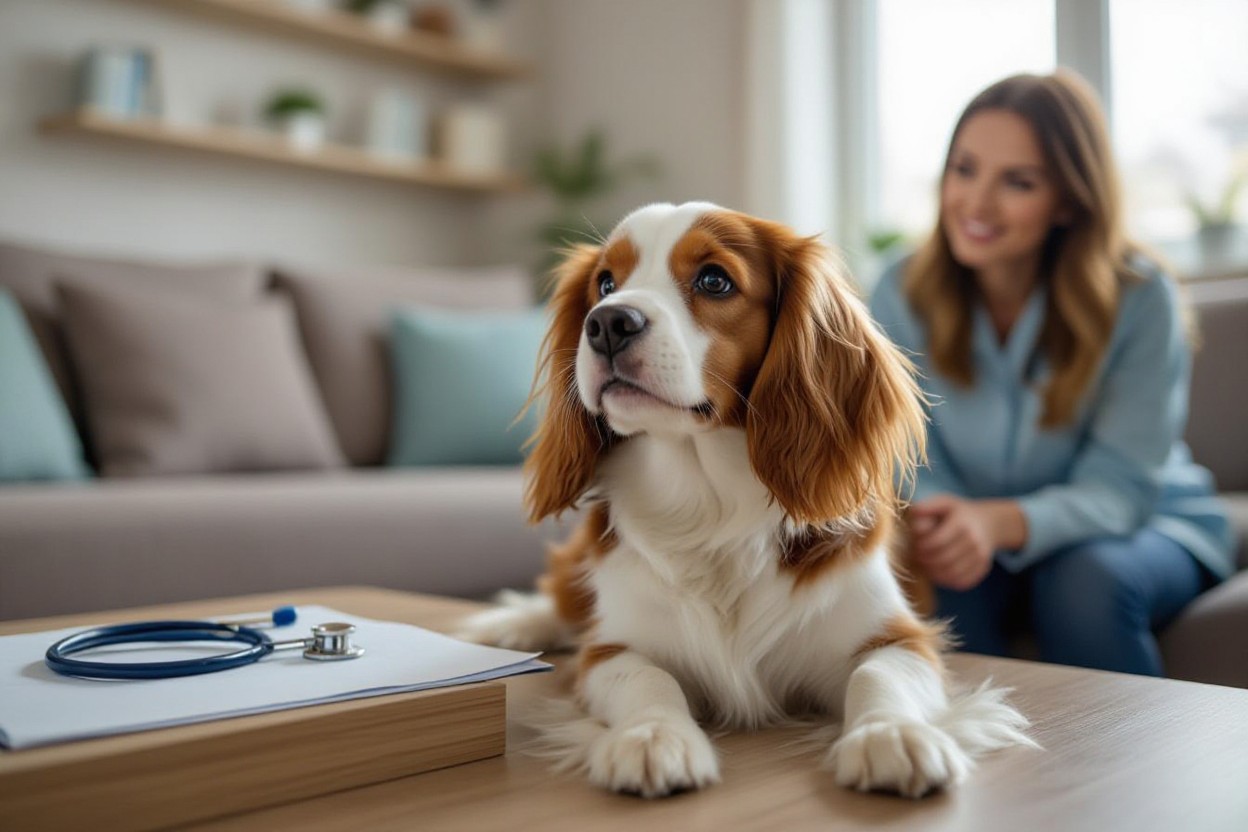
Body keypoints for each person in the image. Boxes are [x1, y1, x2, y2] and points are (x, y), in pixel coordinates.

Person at [869, 70, 1234, 677]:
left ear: (1068, 199)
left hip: (1139, 524)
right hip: (969, 536)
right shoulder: (898, 290)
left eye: (1018, 181)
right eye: (964, 169)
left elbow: (1121, 484)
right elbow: (902, 451)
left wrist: (1001, 522)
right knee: (940, 582)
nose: (976, 203)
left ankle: (1130, 747)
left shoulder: (1142, 296)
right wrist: (944, 519)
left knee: (1083, 583)